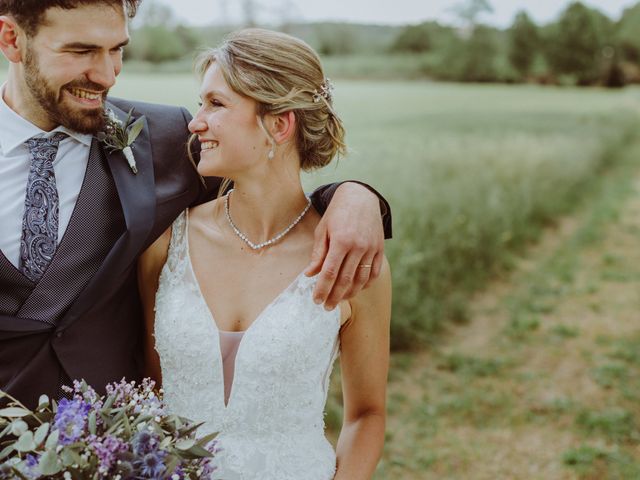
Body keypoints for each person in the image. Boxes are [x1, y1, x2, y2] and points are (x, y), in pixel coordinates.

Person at [0, 0, 392, 408]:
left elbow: (267, 186)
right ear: (12, 39)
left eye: (117, 49)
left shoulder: (167, 139)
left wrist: (354, 197)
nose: (108, 75)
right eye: (81, 51)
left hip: (119, 448)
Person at [139, 29, 391, 480]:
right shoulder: (166, 242)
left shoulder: (351, 256)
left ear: (278, 124)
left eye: (216, 104)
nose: (195, 123)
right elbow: (150, 390)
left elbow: (366, 414)